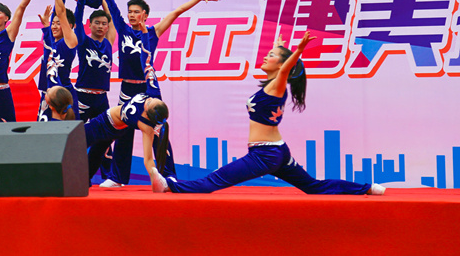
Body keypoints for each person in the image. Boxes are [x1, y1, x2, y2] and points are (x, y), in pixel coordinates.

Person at [149, 32, 386, 196]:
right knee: (313, 186)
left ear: (283, 65)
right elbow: (281, 67)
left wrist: (298, 50)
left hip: (265, 154)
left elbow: (284, 69)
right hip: (277, 151)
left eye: (271, 55)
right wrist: (279, 45)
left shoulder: (278, 84)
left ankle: (169, 186)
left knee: (215, 180)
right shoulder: (271, 86)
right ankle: (368, 188)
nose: (266, 57)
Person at [98, 0, 221, 187]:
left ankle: (168, 175)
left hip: (148, 90)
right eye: (130, 12)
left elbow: (177, 12)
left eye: (136, 12)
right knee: (123, 132)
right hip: (127, 89)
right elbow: (111, 6)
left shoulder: (153, 32)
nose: (132, 15)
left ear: (145, 14)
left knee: (158, 132)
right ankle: (117, 178)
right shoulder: (123, 29)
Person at [85, 93, 169, 183]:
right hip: (116, 130)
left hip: (103, 123)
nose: (149, 99)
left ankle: (81, 179)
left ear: (147, 115)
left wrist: (155, 178)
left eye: (149, 103)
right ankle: (84, 180)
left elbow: (148, 160)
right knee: (96, 153)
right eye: (152, 98)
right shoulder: (148, 109)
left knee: (78, 140)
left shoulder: (144, 125)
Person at [71, 0, 116, 123]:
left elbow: (111, 18)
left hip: (101, 98)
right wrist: (81, 0)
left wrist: (102, 1)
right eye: (97, 23)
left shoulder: (108, 42)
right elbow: (77, 22)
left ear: (107, 27)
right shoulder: (83, 41)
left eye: (104, 24)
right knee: (77, 132)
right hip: (82, 96)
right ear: (90, 25)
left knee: (105, 132)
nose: (100, 26)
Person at [36, 0, 79, 120]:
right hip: (47, 95)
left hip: (62, 95)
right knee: (43, 131)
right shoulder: (51, 42)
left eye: (58, 23)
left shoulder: (69, 41)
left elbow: (60, 12)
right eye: (53, 23)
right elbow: (57, 13)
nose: (54, 26)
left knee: (67, 131)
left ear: (69, 26)